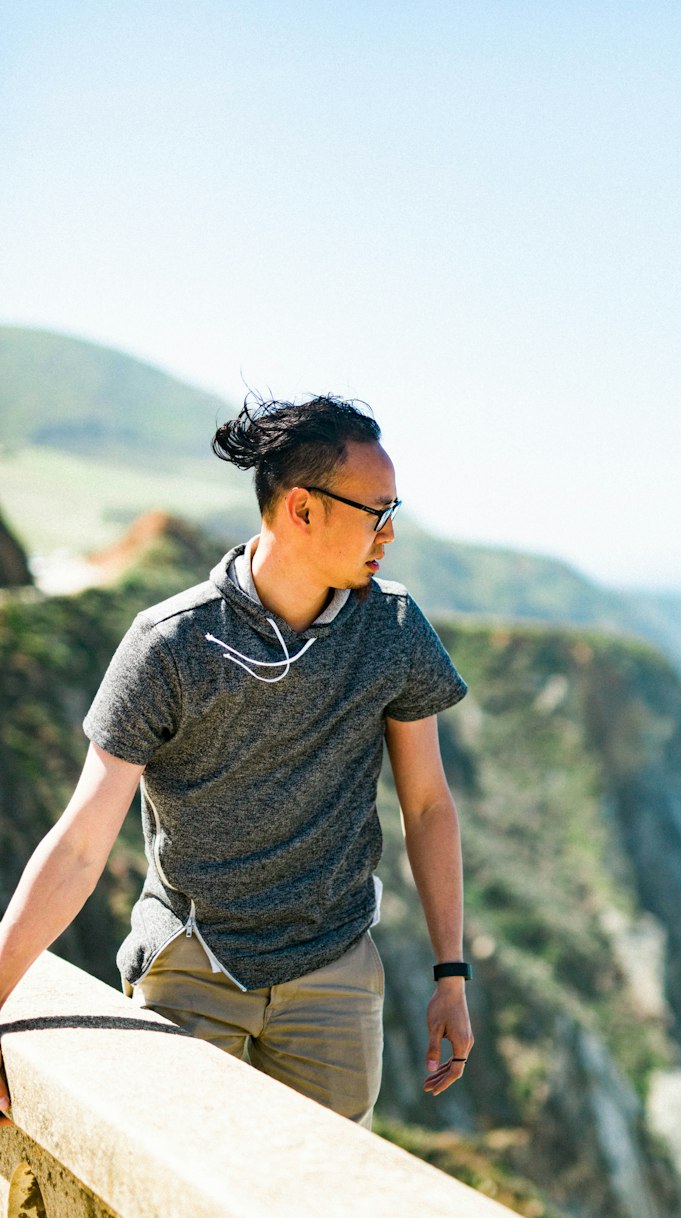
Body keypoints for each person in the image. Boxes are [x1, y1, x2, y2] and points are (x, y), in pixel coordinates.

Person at [0, 394, 474, 1127]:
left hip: (335, 973)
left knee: (319, 1203)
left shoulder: (396, 629)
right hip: (191, 964)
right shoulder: (168, 643)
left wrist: (452, 972)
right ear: (301, 509)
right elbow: (82, 840)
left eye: (394, 509)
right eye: (376, 511)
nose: (390, 533)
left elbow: (429, 807)